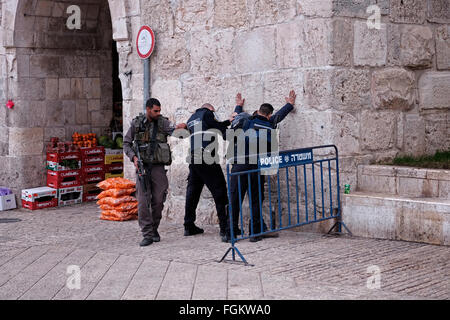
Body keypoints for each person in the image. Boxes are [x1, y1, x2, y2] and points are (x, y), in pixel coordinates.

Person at [226, 91, 296, 242]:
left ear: (257, 111)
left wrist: (238, 106)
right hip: (256, 167)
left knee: (234, 199)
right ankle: (255, 233)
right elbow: (280, 115)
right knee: (256, 200)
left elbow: (235, 120)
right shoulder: (269, 123)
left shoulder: (244, 121)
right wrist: (290, 104)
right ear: (269, 115)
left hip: (238, 165)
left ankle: (229, 233)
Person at [123, 98, 186, 247]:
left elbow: (178, 133)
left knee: (158, 200)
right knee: (143, 203)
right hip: (142, 167)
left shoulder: (163, 122)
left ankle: (154, 228)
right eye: (155, 111)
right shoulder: (136, 123)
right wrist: (134, 158)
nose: (158, 113)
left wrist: (183, 128)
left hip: (158, 167)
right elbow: (126, 143)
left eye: (159, 111)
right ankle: (147, 234)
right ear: (148, 109)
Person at [184, 103, 234, 241]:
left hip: (194, 159)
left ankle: (188, 225)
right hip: (206, 157)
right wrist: (228, 121)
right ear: (210, 109)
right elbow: (217, 127)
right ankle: (225, 229)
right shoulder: (207, 114)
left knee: (192, 193)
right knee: (220, 192)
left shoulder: (191, 119)